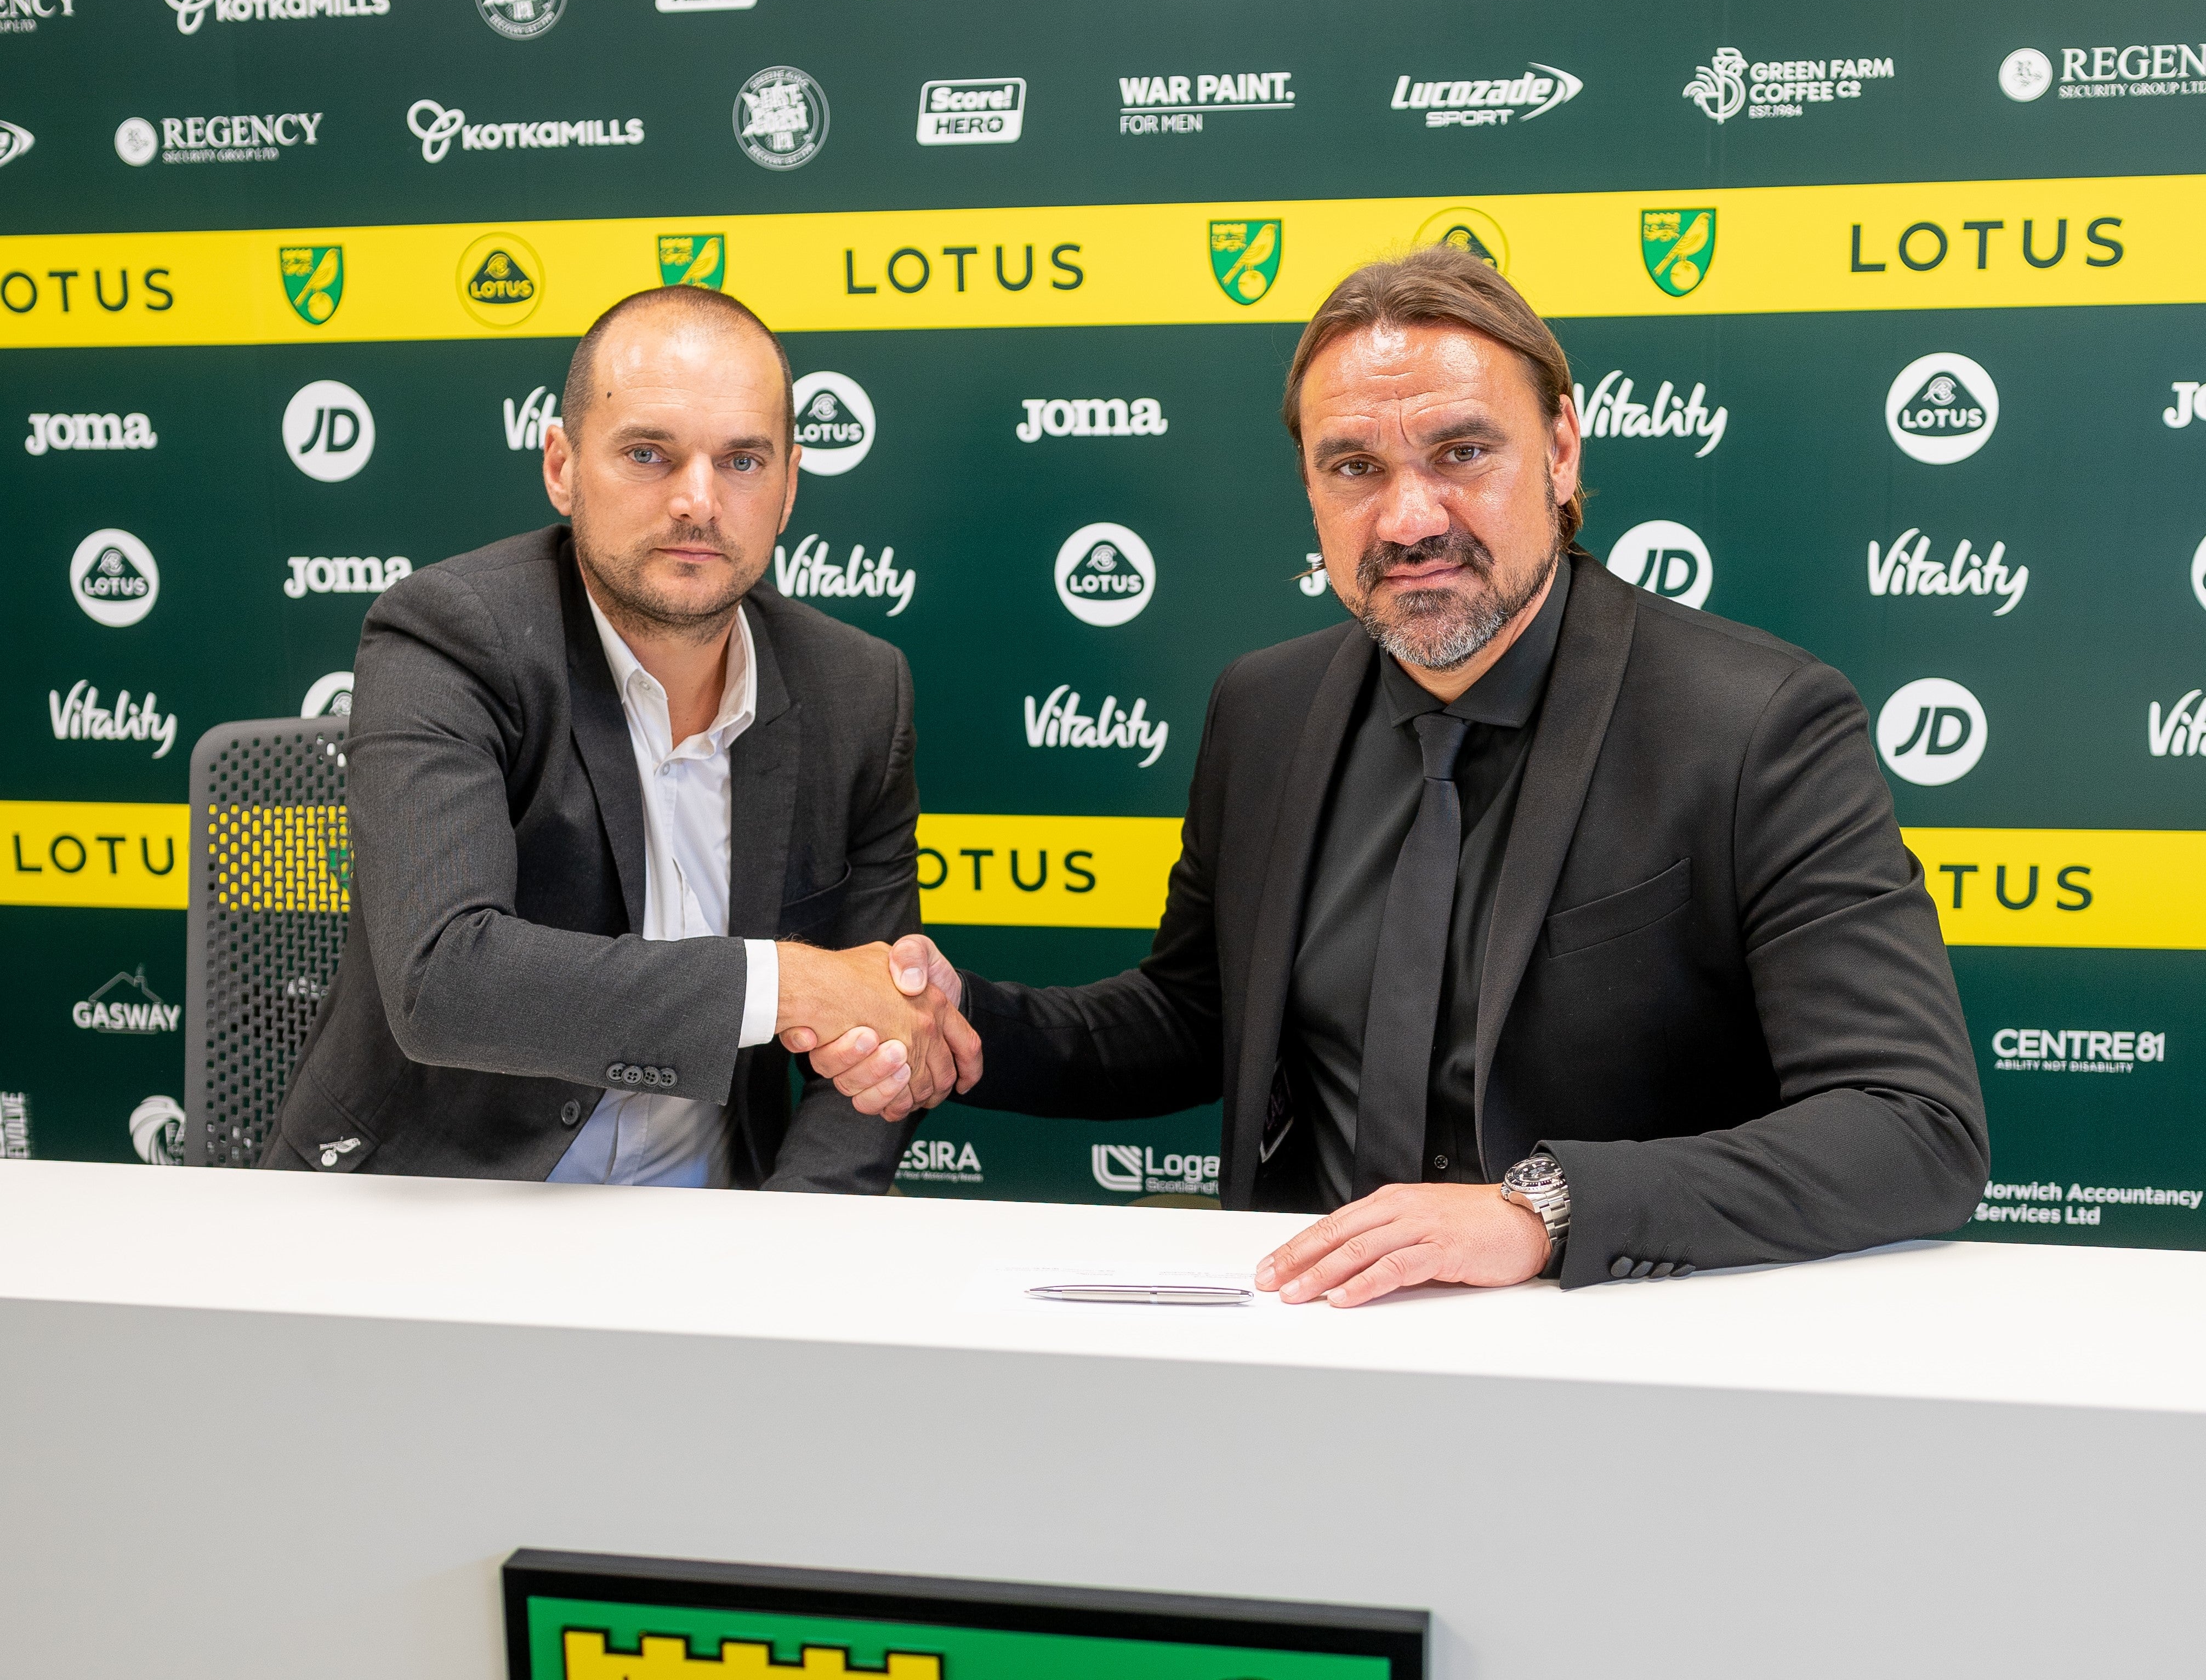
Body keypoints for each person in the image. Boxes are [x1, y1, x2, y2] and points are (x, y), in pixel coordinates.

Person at [795, 243, 1989, 1296]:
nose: (1409, 518)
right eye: (1353, 467)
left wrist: (1538, 1214)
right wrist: (967, 1029)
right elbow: (1195, 1018)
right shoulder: (1264, 708)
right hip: (1310, 1336)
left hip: (1614, 1353)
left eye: (1462, 451)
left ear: (1564, 449)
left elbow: (1909, 1127)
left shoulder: (1757, 723)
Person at [263, 284, 977, 1185]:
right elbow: (443, 980)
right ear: (562, 465)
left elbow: (875, 1046)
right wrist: (790, 982)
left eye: (744, 462)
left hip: (710, 1227)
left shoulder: (861, 692)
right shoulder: (448, 635)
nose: (697, 501)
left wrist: (783, 1246)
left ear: (791, 484)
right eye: (649, 453)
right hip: (433, 1207)